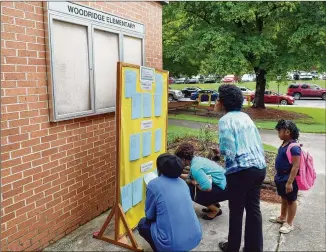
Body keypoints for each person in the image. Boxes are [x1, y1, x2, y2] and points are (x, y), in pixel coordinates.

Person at [214, 84, 266, 252]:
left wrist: (219, 152)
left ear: (223, 102)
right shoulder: (246, 117)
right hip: (258, 168)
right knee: (253, 210)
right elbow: (256, 143)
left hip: (240, 172)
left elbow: (229, 151)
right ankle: (254, 248)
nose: (215, 102)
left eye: (217, 98)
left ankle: (232, 248)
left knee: (236, 211)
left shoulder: (225, 120)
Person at [137, 153, 202, 252]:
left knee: (143, 224)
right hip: (196, 236)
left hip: (172, 244)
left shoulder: (154, 185)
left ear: (160, 169)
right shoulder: (183, 183)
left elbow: (150, 216)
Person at [175, 142, 228, 220]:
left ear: (183, 159)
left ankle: (215, 210)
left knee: (190, 190)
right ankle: (214, 203)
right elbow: (190, 177)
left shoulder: (195, 168)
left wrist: (192, 182)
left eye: (178, 160)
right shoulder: (196, 160)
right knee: (192, 184)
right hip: (224, 183)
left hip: (225, 189)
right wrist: (179, 175)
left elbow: (207, 188)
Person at [269, 120, 301, 234]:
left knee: (291, 200)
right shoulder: (284, 144)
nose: (278, 134)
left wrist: (289, 182)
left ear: (287, 132)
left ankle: (289, 223)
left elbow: (296, 166)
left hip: (289, 179)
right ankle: (282, 217)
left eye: (279, 131)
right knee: (283, 197)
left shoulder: (294, 147)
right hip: (281, 177)